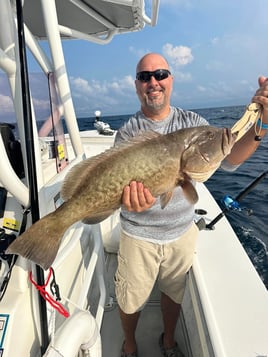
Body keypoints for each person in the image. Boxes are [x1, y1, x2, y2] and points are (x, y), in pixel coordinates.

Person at [114, 53, 268, 357]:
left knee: (174, 292)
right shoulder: (128, 132)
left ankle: (168, 340)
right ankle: (130, 345)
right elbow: (122, 188)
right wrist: (131, 202)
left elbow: (232, 159)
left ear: (171, 80)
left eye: (160, 74)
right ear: (137, 86)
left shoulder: (193, 123)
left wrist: (260, 122)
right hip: (138, 234)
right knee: (130, 299)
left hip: (182, 232)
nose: (153, 82)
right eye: (145, 77)